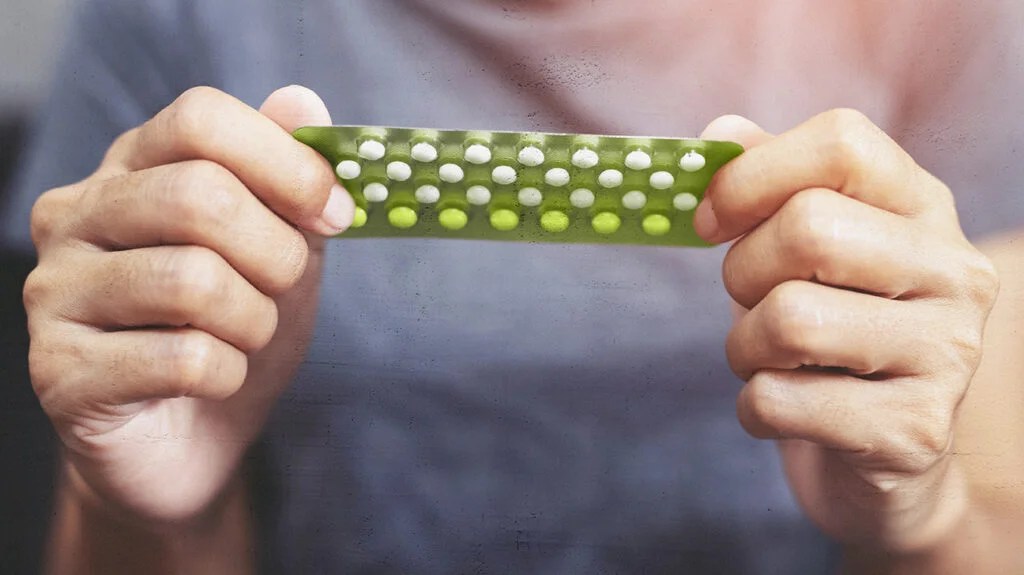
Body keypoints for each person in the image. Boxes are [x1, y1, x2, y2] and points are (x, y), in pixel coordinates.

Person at [3, 0, 1022, 573]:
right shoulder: (176, 19)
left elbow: (996, 522)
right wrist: (141, 508)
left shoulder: (939, 20)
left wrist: (915, 516)